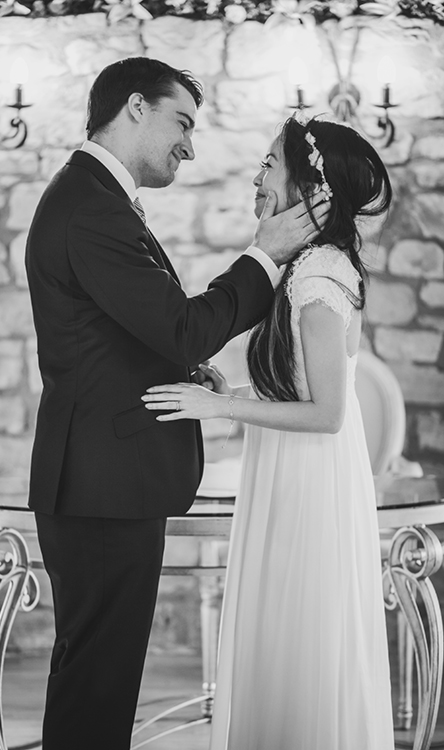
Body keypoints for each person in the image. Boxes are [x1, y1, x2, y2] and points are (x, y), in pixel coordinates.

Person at [25, 58, 329, 750]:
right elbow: (182, 322)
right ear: (136, 106)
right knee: (96, 685)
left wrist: (188, 371)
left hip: (105, 481)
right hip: (103, 485)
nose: (190, 146)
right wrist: (264, 254)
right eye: (183, 122)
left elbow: (131, 335)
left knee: (98, 679)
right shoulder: (92, 208)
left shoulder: (93, 199)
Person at [143, 115, 395, 750]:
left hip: (309, 486)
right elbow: (301, 389)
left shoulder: (316, 280)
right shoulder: (314, 268)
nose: (257, 176)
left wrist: (220, 411)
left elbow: (327, 414)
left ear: (312, 189)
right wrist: (233, 395)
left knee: (295, 636)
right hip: (296, 474)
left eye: (269, 165)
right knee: (288, 637)